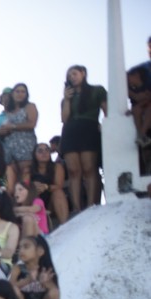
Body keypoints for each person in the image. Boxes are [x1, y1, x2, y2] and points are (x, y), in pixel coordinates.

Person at [61, 65, 108, 212]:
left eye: (74, 74)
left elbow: (107, 109)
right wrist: (66, 100)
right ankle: (76, 208)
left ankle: (92, 205)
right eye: (69, 75)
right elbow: (64, 118)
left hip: (89, 128)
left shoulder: (97, 90)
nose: (71, 77)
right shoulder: (67, 97)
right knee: (74, 171)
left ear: (83, 73)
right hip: (70, 131)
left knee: (89, 168)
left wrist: (105, 124)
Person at [10, 235, 60, 299]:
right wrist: (27, 280)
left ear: (40, 251)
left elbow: (54, 294)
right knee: (14, 290)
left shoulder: (46, 270)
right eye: (19, 248)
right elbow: (9, 287)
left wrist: (45, 283)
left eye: (26, 247)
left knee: (53, 293)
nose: (21, 251)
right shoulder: (17, 269)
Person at [0, 83, 39, 176]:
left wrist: (13, 126)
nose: (20, 94)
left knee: (26, 176)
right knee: (12, 179)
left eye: (23, 92)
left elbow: (32, 124)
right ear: (12, 94)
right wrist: (1, 132)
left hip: (25, 146)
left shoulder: (30, 106)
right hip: (9, 149)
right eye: (17, 91)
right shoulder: (8, 111)